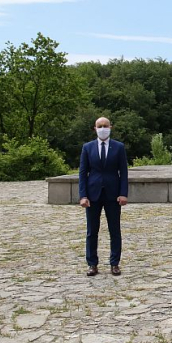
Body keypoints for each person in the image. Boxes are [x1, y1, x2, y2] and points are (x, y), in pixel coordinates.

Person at [78, 117, 129, 277]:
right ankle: (92, 264)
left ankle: (115, 263)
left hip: (113, 194)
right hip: (93, 194)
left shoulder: (119, 147)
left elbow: (124, 172)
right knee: (92, 231)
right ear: (95, 128)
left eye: (105, 126)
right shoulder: (87, 148)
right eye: (99, 126)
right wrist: (83, 195)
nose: (102, 128)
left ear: (110, 127)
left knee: (115, 230)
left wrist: (123, 193)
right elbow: (82, 173)